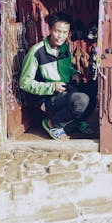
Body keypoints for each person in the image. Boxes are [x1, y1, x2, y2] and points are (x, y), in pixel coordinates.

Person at [19, 12, 96, 140]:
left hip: (66, 90)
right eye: (57, 31)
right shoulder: (37, 52)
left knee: (94, 87)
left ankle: (77, 121)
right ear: (50, 30)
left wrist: (74, 73)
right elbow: (24, 83)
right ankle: (53, 123)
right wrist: (51, 86)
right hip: (49, 96)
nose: (61, 36)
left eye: (65, 32)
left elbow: (67, 68)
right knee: (81, 100)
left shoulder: (64, 48)